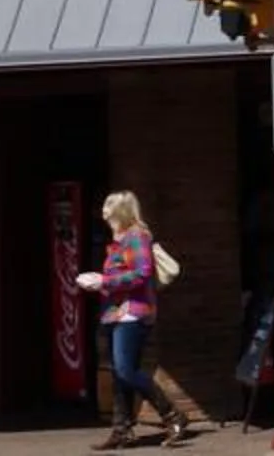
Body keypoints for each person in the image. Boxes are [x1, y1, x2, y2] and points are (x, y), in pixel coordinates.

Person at [77, 190, 207, 450]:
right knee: (119, 374)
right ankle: (122, 430)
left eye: (107, 207)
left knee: (126, 369)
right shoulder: (118, 240)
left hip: (134, 311)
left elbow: (142, 273)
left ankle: (172, 414)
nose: (103, 212)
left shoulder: (137, 236)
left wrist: (104, 281)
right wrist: (98, 283)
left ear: (120, 211)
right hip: (115, 312)